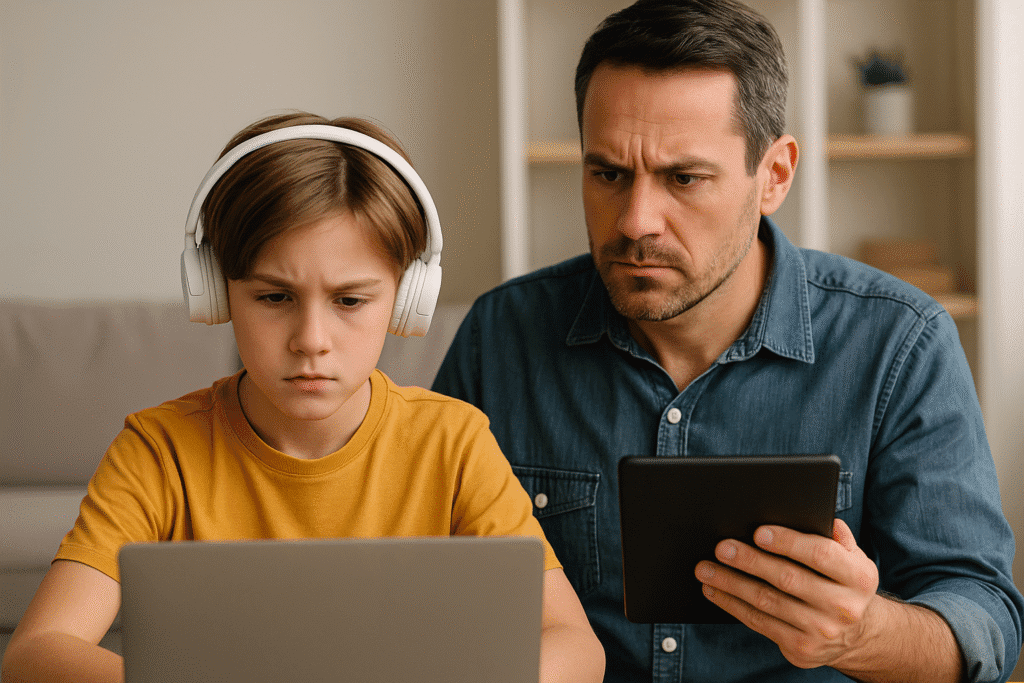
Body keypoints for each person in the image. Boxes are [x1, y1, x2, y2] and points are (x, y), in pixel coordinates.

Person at [432, 1, 1024, 682]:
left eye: (683, 178)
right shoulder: (499, 337)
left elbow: (985, 621)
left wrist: (861, 633)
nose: (635, 220)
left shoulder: (900, 344)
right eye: (608, 174)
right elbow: (427, 581)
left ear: (773, 176)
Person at [0, 112, 605, 683]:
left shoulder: (453, 441)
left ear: (406, 298)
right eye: (273, 298)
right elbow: (34, 654)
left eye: (349, 301)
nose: (311, 342)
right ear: (215, 292)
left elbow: (576, 648)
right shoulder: (160, 450)